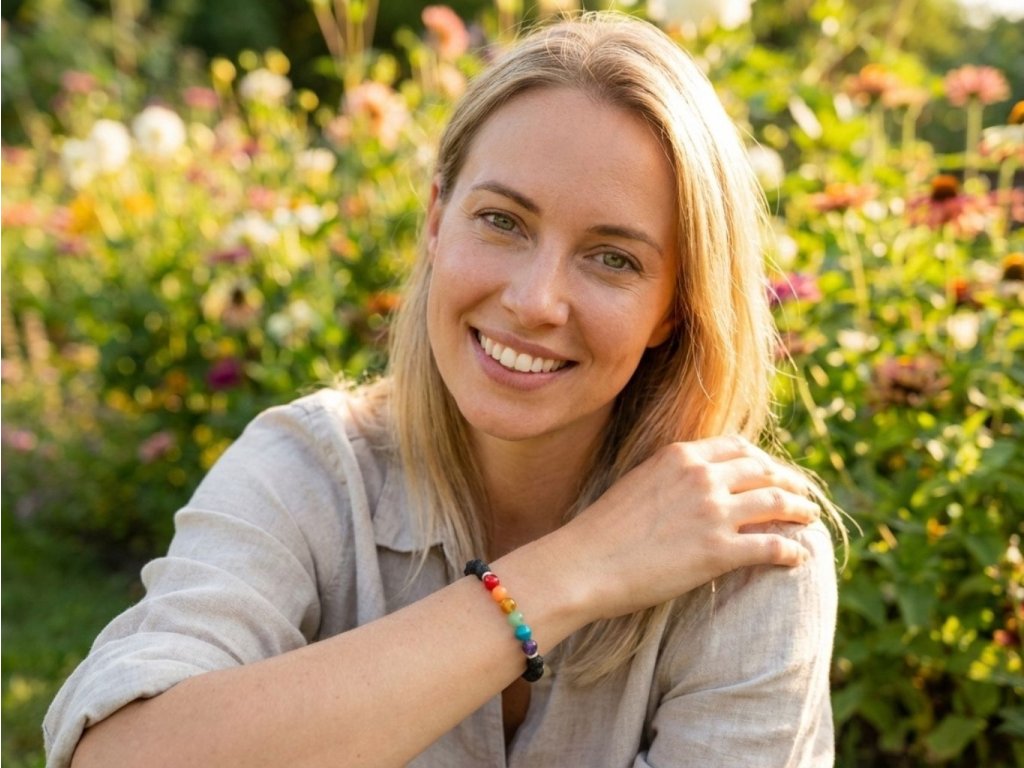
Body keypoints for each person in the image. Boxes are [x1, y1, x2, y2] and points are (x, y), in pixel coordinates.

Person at [46, 11, 840, 768]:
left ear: (674, 307)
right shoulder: (309, 471)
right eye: (503, 221)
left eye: (613, 259)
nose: (534, 300)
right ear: (436, 219)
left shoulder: (746, 550)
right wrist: (566, 574)